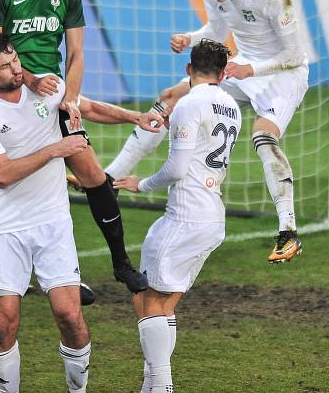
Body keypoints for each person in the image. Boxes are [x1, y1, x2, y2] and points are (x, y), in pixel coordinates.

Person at [0, 0, 148, 292]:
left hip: (51, 97)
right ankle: (50, 273)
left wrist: (70, 99)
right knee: (17, 185)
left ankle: (120, 264)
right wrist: (31, 78)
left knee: (91, 173)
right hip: (11, 98)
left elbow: (76, 54)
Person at [107, 0, 309, 264]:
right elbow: (214, 30)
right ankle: (110, 179)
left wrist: (250, 68)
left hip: (283, 74)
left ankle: (288, 232)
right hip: (243, 68)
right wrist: (190, 38)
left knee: (263, 137)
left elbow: (295, 56)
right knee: (171, 98)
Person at [0, 33, 94, 393]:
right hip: (6, 226)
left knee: (69, 315)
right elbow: (2, 175)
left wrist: (135, 116)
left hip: (53, 222)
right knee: (4, 320)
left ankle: (78, 390)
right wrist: (56, 150)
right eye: (4, 66)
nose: (15, 69)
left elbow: (87, 106)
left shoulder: (44, 88)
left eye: (15, 60)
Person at [114, 39, 241, 393]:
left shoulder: (189, 104)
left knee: (146, 300)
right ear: (224, 73)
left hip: (185, 216)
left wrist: (141, 184)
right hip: (212, 216)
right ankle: (152, 385)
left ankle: (162, 386)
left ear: (189, 70)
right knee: (164, 304)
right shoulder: (233, 107)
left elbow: (177, 168)